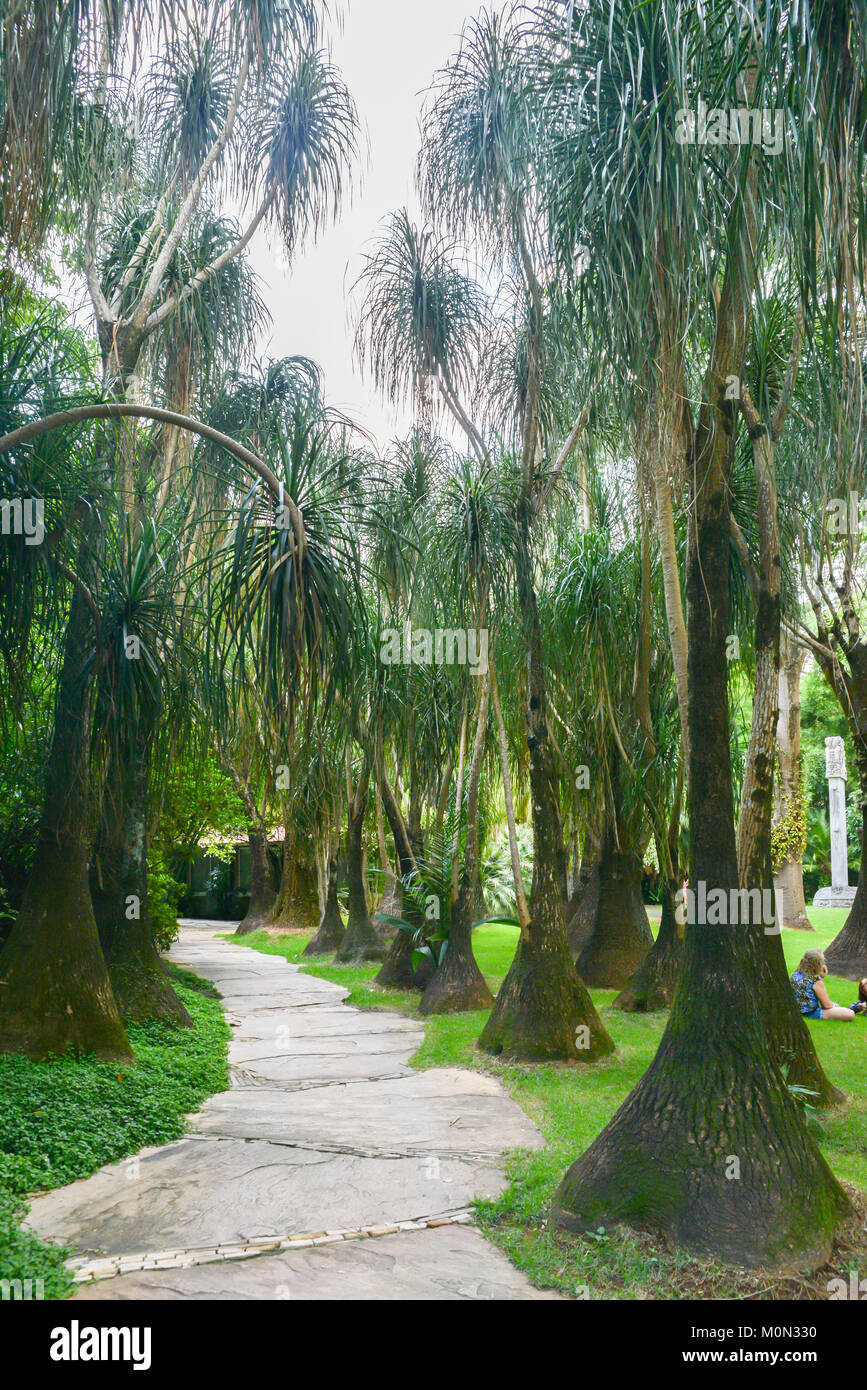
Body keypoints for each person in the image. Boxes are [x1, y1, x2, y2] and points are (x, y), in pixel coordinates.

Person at [790, 949, 857, 1020]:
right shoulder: (815, 980)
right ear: (818, 964)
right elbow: (827, 1005)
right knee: (850, 1014)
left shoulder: (795, 974)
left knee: (837, 1007)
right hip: (810, 1013)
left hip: (797, 1010)